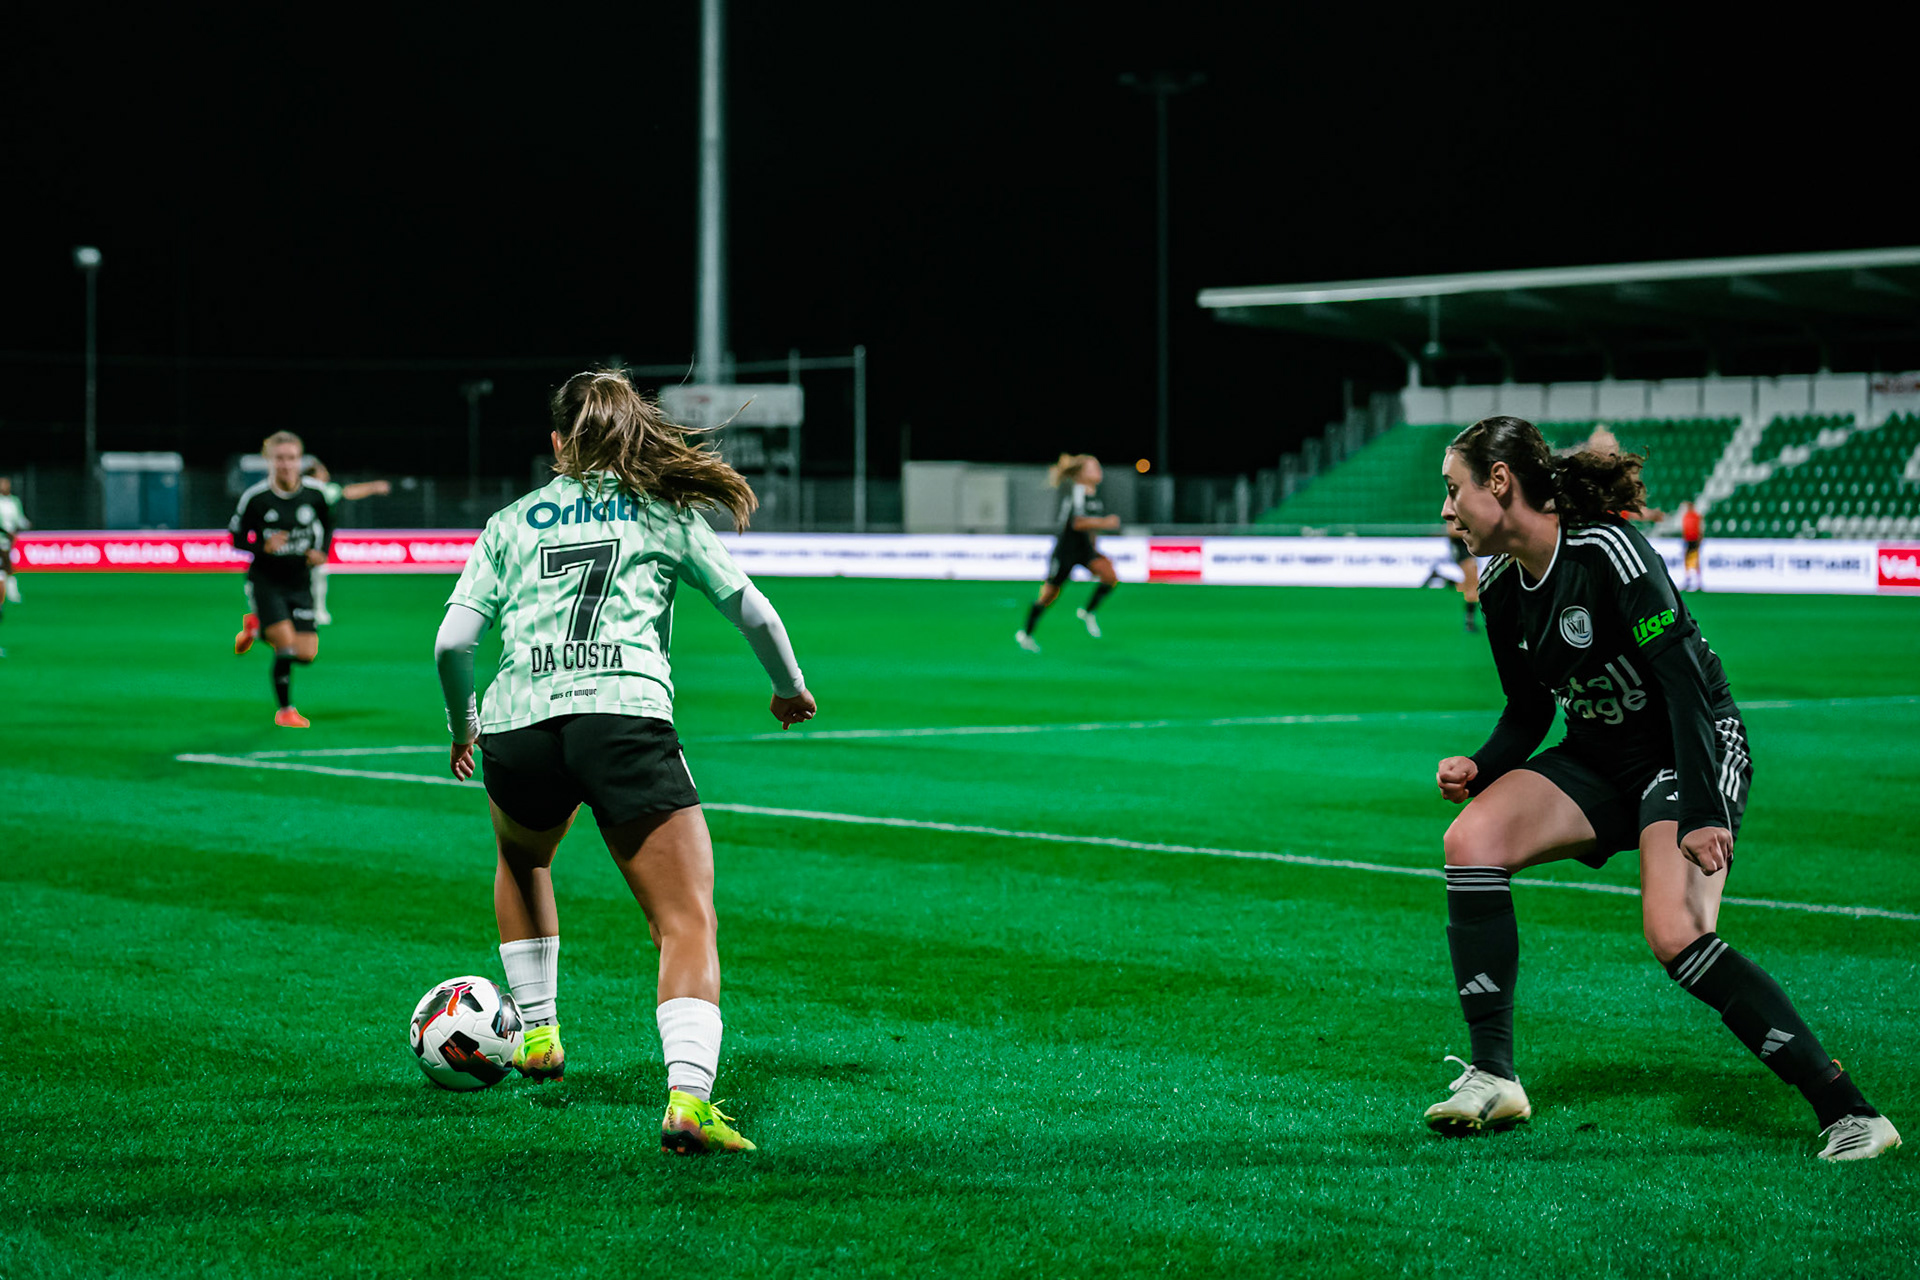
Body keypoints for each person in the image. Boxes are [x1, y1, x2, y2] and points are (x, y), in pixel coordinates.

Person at [1426, 415, 1898, 1162]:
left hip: (1691, 746)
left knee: (1675, 930)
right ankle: (1494, 1074)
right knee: (1471, 840)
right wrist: (1482, 767)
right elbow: (1529, 709)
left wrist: (1706, 809)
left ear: (1500, 483)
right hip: (1599, 756)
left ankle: (1849, 1111)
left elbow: (1681, 680)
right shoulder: (1501, 585)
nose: (1446, 511)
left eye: (1454, 491)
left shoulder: (1606, 550)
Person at [433, 369, 816, 1157]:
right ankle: (687, 1100)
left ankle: (538, 1034)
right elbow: (754, 609)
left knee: (523, 856)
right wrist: (789, 689)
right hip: (622, 716)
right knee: (683, 919)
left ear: (556, 443)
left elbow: (453, 644)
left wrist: (465, 721)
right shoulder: (663, 509)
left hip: (519, 725)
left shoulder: (509, 521)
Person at [229, 432, 333, 727]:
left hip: (301, 582)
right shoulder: (257, 498)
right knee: (286, 647)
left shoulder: (315, 494)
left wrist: (321, 551)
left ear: (300, 461)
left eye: (291, 458)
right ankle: (285, 710)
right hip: (266, 581)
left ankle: (257, 628)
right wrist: (262, 547)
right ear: (269, 461)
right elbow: (235, 537)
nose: (286, 464)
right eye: (279, 459)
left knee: (306, 654)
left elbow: (329, 520)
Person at [1015, 453, 1120, 652]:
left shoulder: (1093, 494)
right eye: (1093, 468)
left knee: (1110, 576)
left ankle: (1087, 612)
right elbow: (1078, 523)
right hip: (1066, 552)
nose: (1098, 471)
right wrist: (1106, 522)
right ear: (1081, 474)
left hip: (1084, 550)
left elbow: (1090, 530)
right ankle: (1025, 634)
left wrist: (1096, 551)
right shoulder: (1078, 492)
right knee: (1048, 596)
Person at [302, 459, 392, 624]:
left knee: (318, 573)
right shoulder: (315, 489)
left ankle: (316, 611)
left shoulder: (322, 490)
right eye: (322, 471)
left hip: (314, 540)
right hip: (304, 539)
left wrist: (372, 487)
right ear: (312, 475)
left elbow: (345, 492)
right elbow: (348, 492)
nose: (326, 474)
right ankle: (313, 611)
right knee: (311, 575)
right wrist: (373, 487)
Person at [0, 475, 27, 655]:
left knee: (4, 574)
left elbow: (18, 517)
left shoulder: (13, 501)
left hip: (3, 543)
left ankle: (8, 597)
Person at [1679, 499, 1704, 591]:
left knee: (1696, 562)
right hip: (1688, 540)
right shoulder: (1686, 516)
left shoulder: (1696, 516)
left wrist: (1699, 540)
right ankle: (1688, 581)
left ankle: (1698, 582)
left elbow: (1700, 528)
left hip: (1694, 540)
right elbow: (1685, 529)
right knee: (1687, 562)